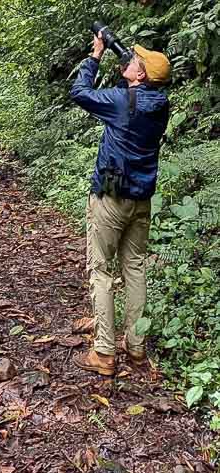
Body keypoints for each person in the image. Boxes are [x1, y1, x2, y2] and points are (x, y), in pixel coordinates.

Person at [69, 32, 171, 377]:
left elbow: (79, 93)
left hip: (111, 198)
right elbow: (139, 94)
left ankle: (104, 352)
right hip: (141, 199)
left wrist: (95, 56)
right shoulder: (161, 104)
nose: (128, 59)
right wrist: (124, 61)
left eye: (134, 60)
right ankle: (136, 347)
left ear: (140, 75)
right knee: (135, 269)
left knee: (100, 270)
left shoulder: (120, 102)